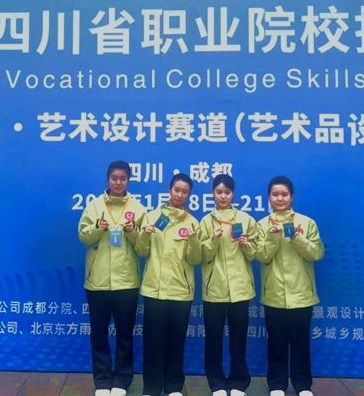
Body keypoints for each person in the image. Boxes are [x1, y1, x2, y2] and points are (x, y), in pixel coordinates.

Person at [78, 160, 148, 396]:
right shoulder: (94, 206)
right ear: (108, 179)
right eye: (114, 178)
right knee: (98, 334)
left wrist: (132, 232)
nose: (118, 182)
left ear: (128, 180)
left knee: (125, 335)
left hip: (126, 282)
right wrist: (98, 227)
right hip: (97, 282)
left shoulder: (138, 209)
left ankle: (121, 381)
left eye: (123, 178)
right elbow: (83, 237)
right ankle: (102, 381)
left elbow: (144, 247)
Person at [256, 176, 324, 396]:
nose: (280, 198)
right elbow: (261, 256)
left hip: (302, 294)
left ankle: (303, 385)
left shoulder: (307, 223)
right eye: (275, 194)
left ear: (291, 197)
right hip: (274, 293)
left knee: (300, 343)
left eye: (284, 194)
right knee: (276, 343)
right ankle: (277, 385)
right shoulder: (262, 225)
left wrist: (296, 237)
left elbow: (316, 253)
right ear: (269, 197)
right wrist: (273, 238)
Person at [137, 173, 202, 396]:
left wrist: (193, 240)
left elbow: (195, 259)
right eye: (177, 190)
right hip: (154, 290)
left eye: (184, 191)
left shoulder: (193, 223)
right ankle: (151, 387)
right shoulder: (152, 217)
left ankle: (173, 386)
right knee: (152, 342)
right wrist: (144, 234)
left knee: (176, 342)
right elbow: (142, 251)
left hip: (180, 291)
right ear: (169, 190)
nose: (179, 194)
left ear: (189, 195)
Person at [199, 174, 262, 396]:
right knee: (213, 340)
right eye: (219, 192)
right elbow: (202, 256)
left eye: (227, 192)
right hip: (213, 289)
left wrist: (246, 245)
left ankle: (238, 382)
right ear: (213, 194)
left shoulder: (246, 220)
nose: (223, 196)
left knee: (238, 339)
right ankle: (216, 383)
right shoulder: (205, 222)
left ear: (233, 194)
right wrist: (213, 239)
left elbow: (255, 253)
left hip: (240, 290)